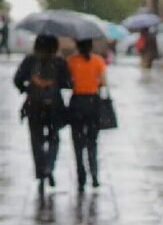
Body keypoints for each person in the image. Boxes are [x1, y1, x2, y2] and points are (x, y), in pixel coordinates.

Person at [13, 34, 70, 189]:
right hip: (54, 107)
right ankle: (49, 166)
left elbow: (17, 79)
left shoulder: (30, 60)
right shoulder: (59, 62)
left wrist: (27, 89)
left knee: (36, 139)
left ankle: (41, 170)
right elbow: (68, 83)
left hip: (34, 105)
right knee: (54, 138)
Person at [67, 39, 107, 191]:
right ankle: (94, 173)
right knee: (92, 141)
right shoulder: (98, 61)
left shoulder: (71, 61)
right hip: (93, 102)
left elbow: (68, 82)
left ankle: (81, 175)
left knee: (77, 142)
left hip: (77, 102)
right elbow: (104, 82)